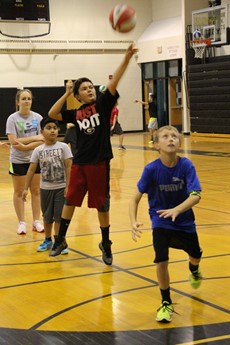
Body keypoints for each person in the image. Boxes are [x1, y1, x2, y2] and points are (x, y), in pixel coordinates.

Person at [48, 43, 138, 263]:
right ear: (78, 96)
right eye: (84, 89)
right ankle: (60, 239)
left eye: (91, 87)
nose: (89, 90)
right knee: (70, 201)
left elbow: (114, 80)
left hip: (99, 162)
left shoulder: (103, 104)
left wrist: (126, 58)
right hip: (80, 162)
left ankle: (106, 243)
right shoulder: (76, 112)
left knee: (101, 204)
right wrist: (67, 92)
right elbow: (52, 113)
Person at [129, 125, 202, 323]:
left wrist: (178, 210)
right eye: (166, 137)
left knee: (195, 256)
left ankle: (194, 269)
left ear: (179, 142)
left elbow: (196, 195)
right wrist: (133, 221)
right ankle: (166, 302)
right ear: (156, 145)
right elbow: (134, 198)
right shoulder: (151, 169)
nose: (171, 139)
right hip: (160, 220)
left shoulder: (186, 165)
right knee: (161, 260)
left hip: (184, 221)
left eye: (174, 136)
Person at [22, 117, 72, 254]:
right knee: (47, 216)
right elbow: (31, 169)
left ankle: (59, 241)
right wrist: (25, 188)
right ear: (42, 131)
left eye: (55, 128)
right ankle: (48, 239)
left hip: (61, 188)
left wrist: (68, 186)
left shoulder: (63, 147)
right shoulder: (38, 150)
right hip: (45, 189)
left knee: (59, 216)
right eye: (48, 128)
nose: (52, 131)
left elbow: (69, 167)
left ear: (58, 130)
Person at [6, 89, 45, 235]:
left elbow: (43, 139)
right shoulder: (12, 119)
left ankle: (36, 221)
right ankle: (21, 222)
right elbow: (13, 141)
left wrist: (26, 145)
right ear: (18, 102)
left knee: (36, 191)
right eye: (23, 99)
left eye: (29, 98)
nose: (27, 101)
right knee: (20, 192)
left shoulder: (38, 117)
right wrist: (34, 138)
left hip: (35, 159)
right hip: (18, 160)